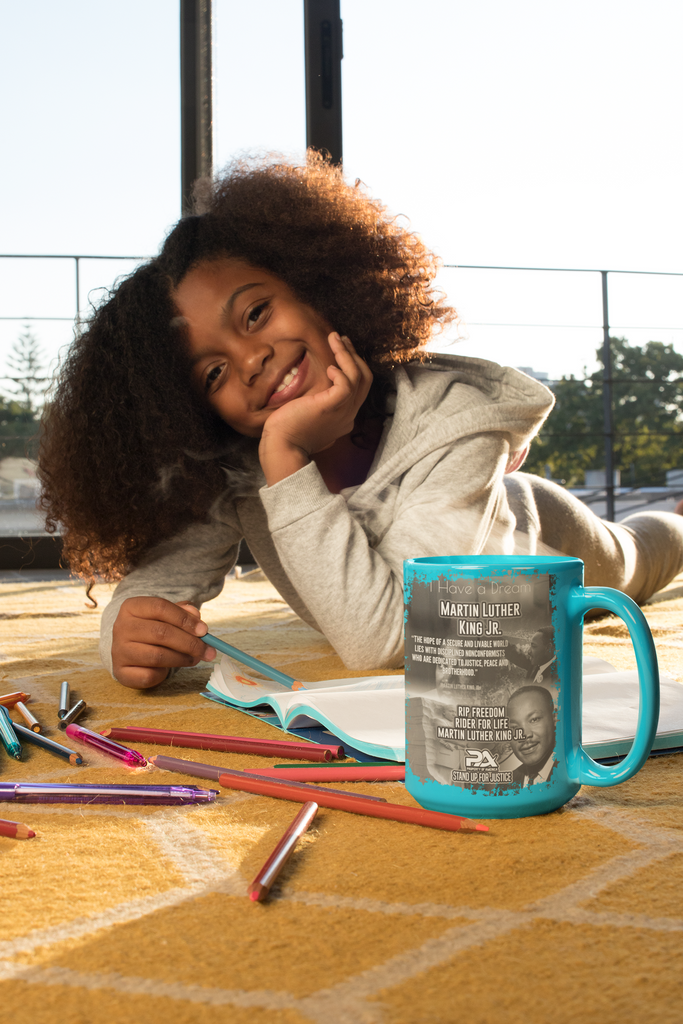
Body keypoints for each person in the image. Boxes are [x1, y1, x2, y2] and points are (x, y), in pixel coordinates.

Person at [38, 154, 683, 689]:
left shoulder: (455, 416)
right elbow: (153, 591)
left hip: (532, 533)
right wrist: (129, 631)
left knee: (634, 559)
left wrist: (287, 457)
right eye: (212, 374)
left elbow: (389, 635)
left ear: (316, 285)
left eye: (256, 313)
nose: (252, 359)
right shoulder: (235, 471)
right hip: (443, 565)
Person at [507, 685, 556, 787]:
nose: (524, 735)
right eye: (515, 727)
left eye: (534, 720)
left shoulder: (567, 771)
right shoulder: (505, 785)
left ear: (554, 719)